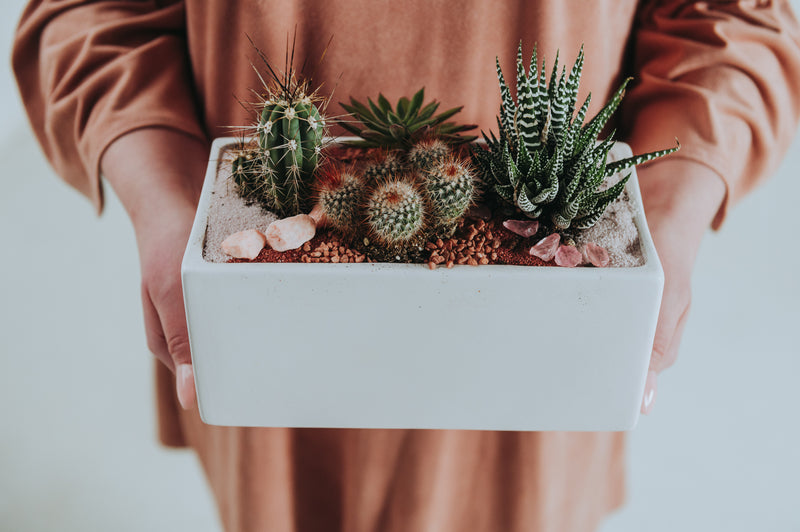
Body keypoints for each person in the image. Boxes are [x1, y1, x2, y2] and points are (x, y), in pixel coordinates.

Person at [13, 1, 800, 531]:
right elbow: (94, 13)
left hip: (546, 340)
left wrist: (663, 218)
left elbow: (727, 18)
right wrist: (167, 200)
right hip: (269, 340)